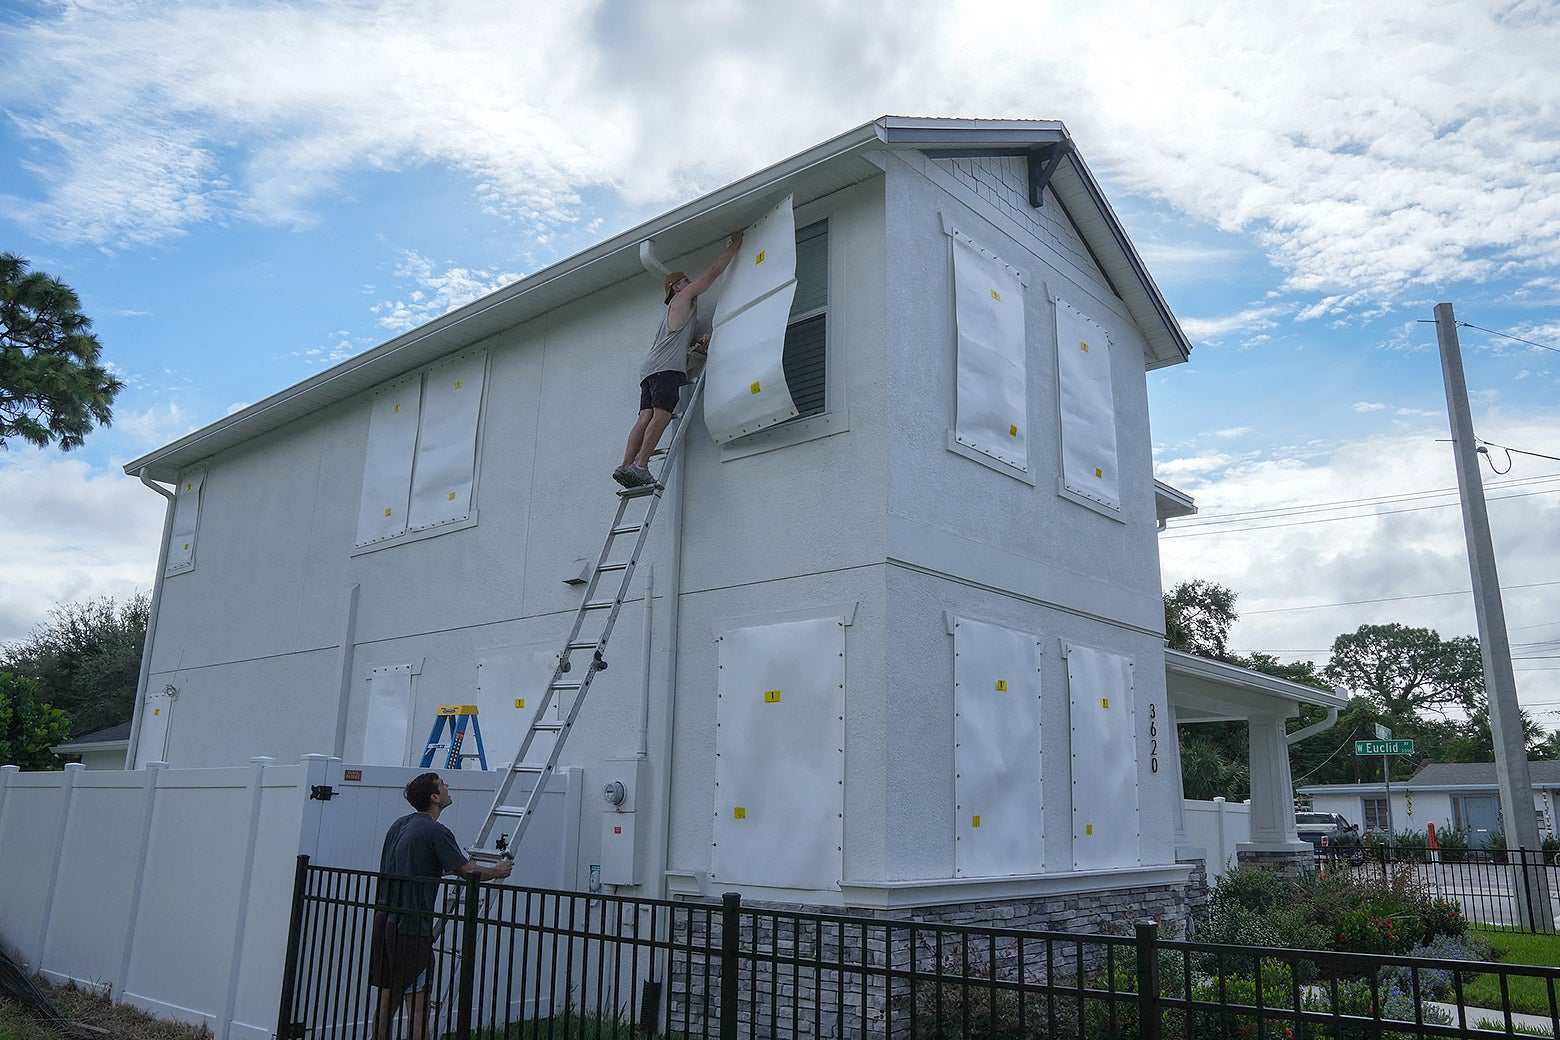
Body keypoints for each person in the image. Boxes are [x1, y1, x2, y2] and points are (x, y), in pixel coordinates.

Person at [370, 772, 512, 1040]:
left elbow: (414, 866)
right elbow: (469, 872)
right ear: (435, 798)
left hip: (385, 920)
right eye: (442, 785)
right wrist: (498, 870)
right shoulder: (436, 831)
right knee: (418, 1007)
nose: (447, 787)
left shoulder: (400, 825)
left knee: (388, 995)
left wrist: (448, 866)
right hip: (410, 927)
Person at [614, 230, 744, 488]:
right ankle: (641, 466)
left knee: (644, 417)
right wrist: (735, 245)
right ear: (675, 287)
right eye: (685, 280)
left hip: (650, 370)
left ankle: (626, 465)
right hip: (665, 370)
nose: (690, 282)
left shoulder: (679, 313)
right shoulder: (682, 298)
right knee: (661, 416)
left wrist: (700, 342)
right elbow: (711, 274)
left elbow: (683, 341)